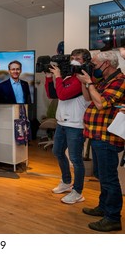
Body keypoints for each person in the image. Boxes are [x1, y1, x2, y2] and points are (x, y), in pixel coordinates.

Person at [76, 50, 125, 232]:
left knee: (109, 178)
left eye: (95, 65)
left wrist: (89, 82)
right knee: (101, 176)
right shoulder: (105, 80)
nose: (93, 68)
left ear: (107, 64)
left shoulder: (120, 81)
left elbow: (100, 103)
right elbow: (88, 97)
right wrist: (84, 82)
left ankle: (113, 218)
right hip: (97, 135)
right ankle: (103, 207)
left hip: (107, 137)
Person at [44, 48, 91, 204]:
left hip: (75, 125)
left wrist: (58, 77)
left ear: (85, 62)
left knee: (76, 159)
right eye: (72, 58)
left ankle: (77, 191)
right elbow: (53, 95)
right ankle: (66, 182)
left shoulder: (82, 79)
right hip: (62, 123)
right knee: (57, 152)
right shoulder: (68, 77)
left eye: (77, 58)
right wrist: (49, 78)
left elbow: (63, 95)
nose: (74, 60)